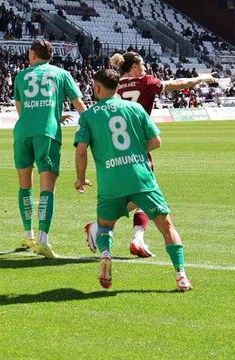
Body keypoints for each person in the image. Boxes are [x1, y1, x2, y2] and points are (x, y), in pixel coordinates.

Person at [84, 51, 214, 259]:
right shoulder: (145, 82)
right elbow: (178, 84)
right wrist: (202, 78)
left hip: (113, 147)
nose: (145, 67)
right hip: (136, 144)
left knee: (137, 191)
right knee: (143, 190)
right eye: (142, 64)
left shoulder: (114, 84)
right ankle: (102, 227)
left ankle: (136, 238)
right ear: (135, 67)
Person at [74, 68, 192, 292]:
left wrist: (80, 178)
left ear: (97, 88)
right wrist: (136, 152)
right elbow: (156, 141)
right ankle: (181, 275)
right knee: (166, 226)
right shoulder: (136, 108)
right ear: (117, 87)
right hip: (141, 178)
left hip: (110, 181)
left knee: (105, 226)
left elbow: (80, 150)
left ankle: (106, 253)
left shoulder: (89, 116)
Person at [12, 39, 87, 258]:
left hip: (22, 133)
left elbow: (21, 109)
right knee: (47, 187)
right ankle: (43, 240)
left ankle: (28, 235)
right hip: (47, 133)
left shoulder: (21, 76)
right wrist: (93, 124)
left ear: (33, 54)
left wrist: (44, 116)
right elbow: (79, 104)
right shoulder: (61, 74)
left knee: (24, 185)